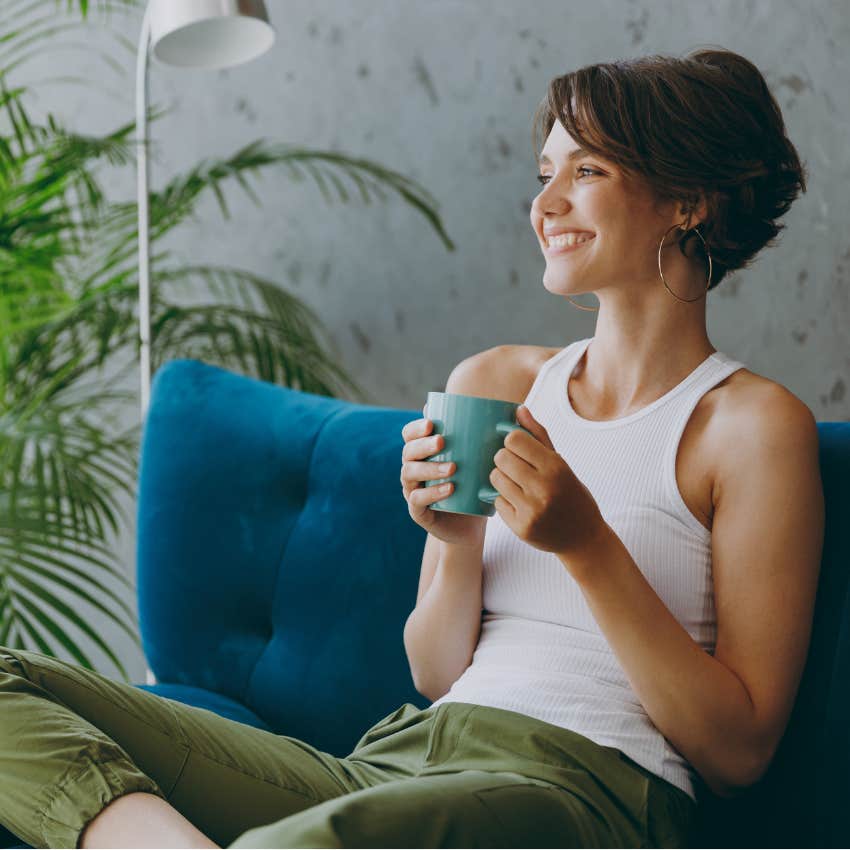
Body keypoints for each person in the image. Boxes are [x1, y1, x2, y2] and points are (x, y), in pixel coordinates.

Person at [0, 47, 824, 849]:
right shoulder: (497, 382)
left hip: (583, 790)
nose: (546, 205)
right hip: (400, 760)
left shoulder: (750, 428)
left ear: (690, 203)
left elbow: (738, 755)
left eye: (588, 172)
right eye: (546, 174)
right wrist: (454, 540)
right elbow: (435, 675)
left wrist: (587, 545)